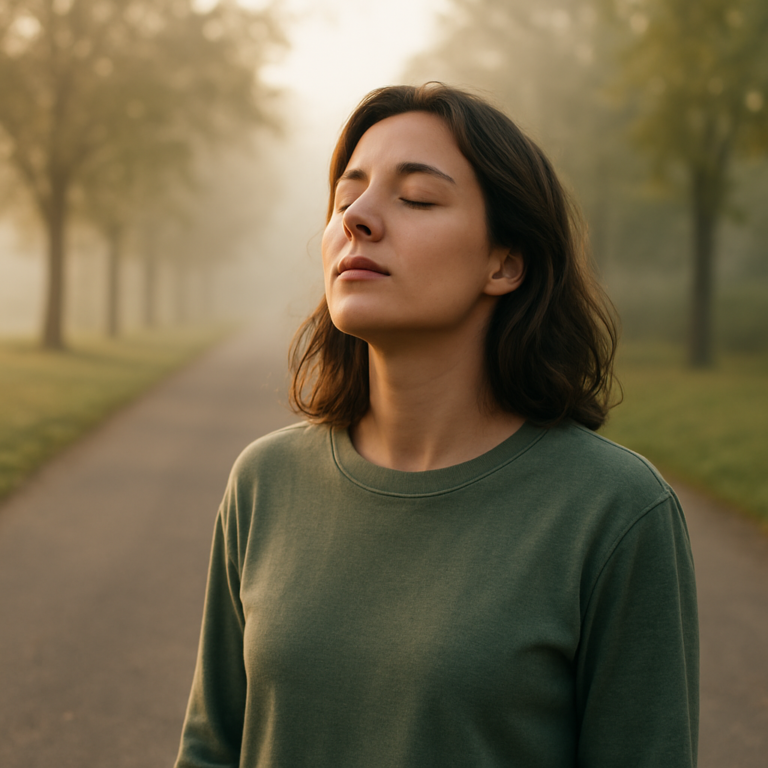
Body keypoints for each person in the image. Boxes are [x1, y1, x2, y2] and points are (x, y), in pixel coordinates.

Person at [175, 83, 698, 768]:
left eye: (415, 198)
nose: (358, 218)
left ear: (504, 262)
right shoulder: (263, 481)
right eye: (345, 197)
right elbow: (212, 749)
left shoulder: (616, 510)